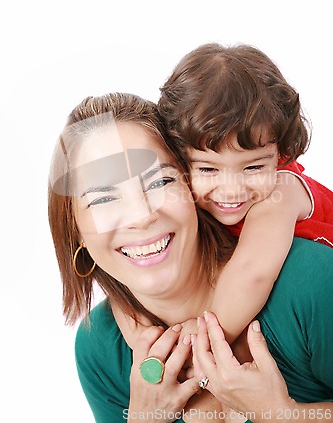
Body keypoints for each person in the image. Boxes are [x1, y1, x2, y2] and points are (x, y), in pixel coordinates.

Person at [48, 92, 333, 423]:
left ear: (194, 190)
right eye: (103, 199)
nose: (141, 216)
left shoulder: (310, 283)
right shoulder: (99, 346)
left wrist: (287, 416)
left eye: (161, 181)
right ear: (76, 233)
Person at [158, 42, 333, 344]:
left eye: (252, 168)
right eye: (208, 170)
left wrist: (204, 343)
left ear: (280, 152)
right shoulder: (185, 202)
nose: (232, 190)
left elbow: (254, 273)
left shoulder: (282, 190)